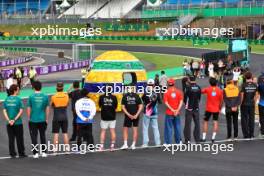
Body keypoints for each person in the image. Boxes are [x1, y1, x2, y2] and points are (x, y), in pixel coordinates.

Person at [3, 84, 26, 158]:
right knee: (19, 138)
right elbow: (21, 111)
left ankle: (12, 153)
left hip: (9, 123)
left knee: (11, 139)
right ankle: (21, 153)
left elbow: (4, 111)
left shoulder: (6, 99)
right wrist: (14, 120)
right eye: (18, 89)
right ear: (15, 90)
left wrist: (9, 120)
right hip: (18, 123)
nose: (19, 90)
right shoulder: (18, 99)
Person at [27, 81, 49, 158]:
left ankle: (35, 153)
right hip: (42, 119)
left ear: (33, 87)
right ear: (41, 87)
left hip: (33, 120)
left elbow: (29, 108)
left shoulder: (31, 96)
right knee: (43, 135)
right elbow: (47, 109)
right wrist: (47, 118)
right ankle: (44, 152)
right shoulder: (45, 96)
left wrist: (29, 118)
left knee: (34, 136)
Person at [120, 84, 143, 150]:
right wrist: (136, 114)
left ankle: (125, 144)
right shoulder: (137, 96)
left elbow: (123, 107)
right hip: (135, 116)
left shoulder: (125, 96)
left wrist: (128, 115)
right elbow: (141, 106)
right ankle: (133, 145)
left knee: (125, 129)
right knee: (135, 129)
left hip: (128, 116)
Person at [201, 77, 223, 142]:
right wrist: (220, 108)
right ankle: (213, 138)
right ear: (216, 83)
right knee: (215, 122)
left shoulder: (208, 89)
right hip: (216, 109)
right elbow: (221, 101)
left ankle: (204, 138)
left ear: (210, 83)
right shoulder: (219, 90)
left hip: (208, 109)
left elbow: (201, 91)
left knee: (205, 122)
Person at [141, 79, 161, 147]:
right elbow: (160, 102)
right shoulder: (157, 93)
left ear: (147, 85)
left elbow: (142, 101)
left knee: (145, 128)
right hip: (154, 113)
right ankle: (158, 143)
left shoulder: (145, 93)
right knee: (155, 128)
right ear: (154, 85)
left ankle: (145, 143)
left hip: (146, 113)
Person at [51, 82, 70, 153]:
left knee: (56, 133)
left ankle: (55, 149)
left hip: (56, 117)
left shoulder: (54, 96)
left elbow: (52, 105)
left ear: (56, 88)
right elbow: (67, 104)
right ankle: (67, 149)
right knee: (65, 133)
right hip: (64, 116)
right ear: (63, 88)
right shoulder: (66, 96)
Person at [163, 78, 183, 144]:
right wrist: (177, 110)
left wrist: (172, 110)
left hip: (169, 113)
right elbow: (181, 102)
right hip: (177, 113)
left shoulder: (166, 92)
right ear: (174, 83)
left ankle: (168, 142)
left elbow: (166, 103)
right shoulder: (179, 91)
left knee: (168, 128)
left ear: (168, 84)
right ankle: (179, 141)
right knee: (177, 127)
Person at [98, 85, 118, 151]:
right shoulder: (114, 97)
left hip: (104, 116)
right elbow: (115, 106)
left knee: (103, 131)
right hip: (112, 116)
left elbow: (100, 105)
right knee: (112, 130)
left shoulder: (101, 97)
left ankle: (101, 146)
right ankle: (112, 146)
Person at [183, 76, 201, 143]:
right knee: (197, 124)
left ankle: (187, 140)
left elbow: (185, 98)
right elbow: (199, 98)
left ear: (189, 80)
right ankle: (197, 139)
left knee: (188, 124)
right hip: (196, 107)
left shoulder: (187, 87)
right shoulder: (198, 87)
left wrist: (187, 104)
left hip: (189, 108)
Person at [240, 72, 257, 139]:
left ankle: (246, 134)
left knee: (244, 119)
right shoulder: (255, 85)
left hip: (244, 104)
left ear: (245, 77)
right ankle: (251, 134)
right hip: (252, 104)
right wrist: (254, 103)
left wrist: (240, 104)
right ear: (251, 77)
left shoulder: (243, 85)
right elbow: (256, 95)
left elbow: (242, 95)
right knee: (251, 119)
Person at [258, 72, 264, 137]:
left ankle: (262, 131)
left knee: (262, 117)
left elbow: (258, 92)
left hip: (261, 104)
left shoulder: (260, 85)